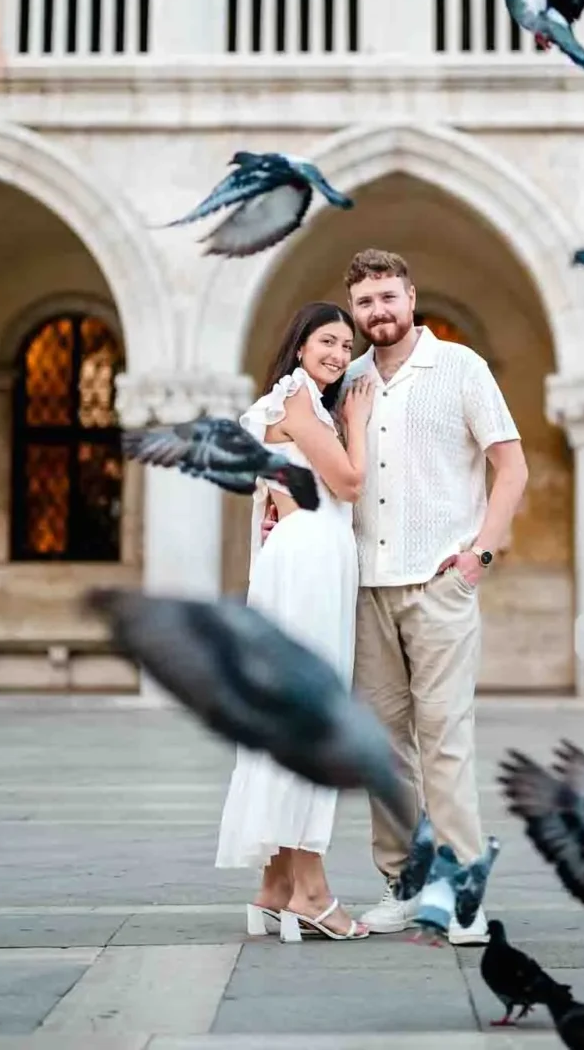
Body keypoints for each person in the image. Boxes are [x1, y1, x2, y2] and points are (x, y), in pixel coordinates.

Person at [346, 248, 528, 944]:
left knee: (445, 740)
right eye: (365, 303)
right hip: (367, 589)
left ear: (411, 296)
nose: (377, 312)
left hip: (439, 584)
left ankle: (463, 895)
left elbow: (510, 465)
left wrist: (479, 553)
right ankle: (405, 884)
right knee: (385, 750)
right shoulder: (352, 380)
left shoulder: (461, 368)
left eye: (388, 297)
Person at [215, 301, 375, 941]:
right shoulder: (297, 405)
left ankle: (275, 887)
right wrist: (357, 421)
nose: (338, 354)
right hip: (310, 558)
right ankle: (312, 891)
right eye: (328, 341)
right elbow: (349, 481)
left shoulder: (298, 403)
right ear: (300, 343)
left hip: (308, 555)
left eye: (346, 345)